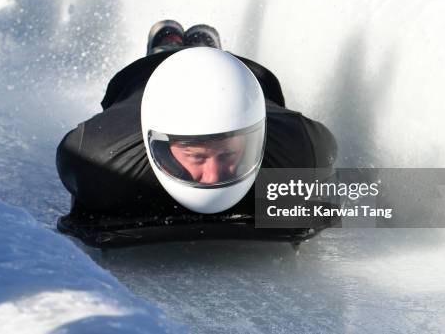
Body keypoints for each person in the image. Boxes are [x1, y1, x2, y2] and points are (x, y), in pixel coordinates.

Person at [56, 20, 337, 230]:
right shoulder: (98, 162)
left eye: (228, 154)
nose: (214, 175)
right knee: (147, 77)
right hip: (144, 81)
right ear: (160, 146)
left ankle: (191, 50)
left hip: (245, 81)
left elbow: (371, 202)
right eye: (197, 156)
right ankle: (167, 52)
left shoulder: (300, 150)